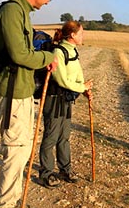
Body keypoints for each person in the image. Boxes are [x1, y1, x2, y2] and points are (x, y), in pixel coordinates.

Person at [0, 0, 59, 208]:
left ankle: (14, 200)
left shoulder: (22, 12)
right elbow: (20, 54)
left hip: (22, 90)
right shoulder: (11, 11)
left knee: (23, 148)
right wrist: (46, 59)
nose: (49, 1)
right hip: (12, 92)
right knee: (15, 150)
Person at [38, 21, 93, 188]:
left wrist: (83, 88)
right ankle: (46, 173)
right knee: (51, 136)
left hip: (66, 99)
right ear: (73, 35)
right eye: (81, 33)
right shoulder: (58, 52)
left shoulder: (72, 51)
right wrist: (81, 87)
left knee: (64, 137)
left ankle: (64, 169)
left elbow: (76, 74)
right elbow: (61, 79)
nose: (83, 36)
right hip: (54, 99)